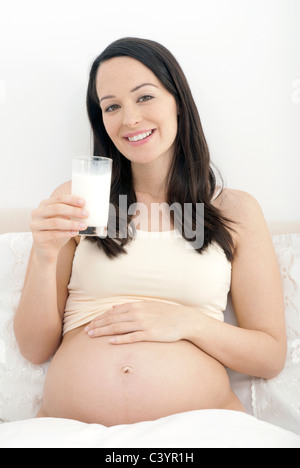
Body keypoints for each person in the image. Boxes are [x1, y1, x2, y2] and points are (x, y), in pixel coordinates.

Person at [14, 37, 287, 426]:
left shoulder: (234, 210)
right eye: (112, 106)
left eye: (144, 97)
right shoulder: (80, 201)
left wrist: (185, 322)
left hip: (200, 431)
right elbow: (34, 348)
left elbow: (269, 355)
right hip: (72, 430)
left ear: (178, 100)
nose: (130, 119)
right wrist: (44, 257)